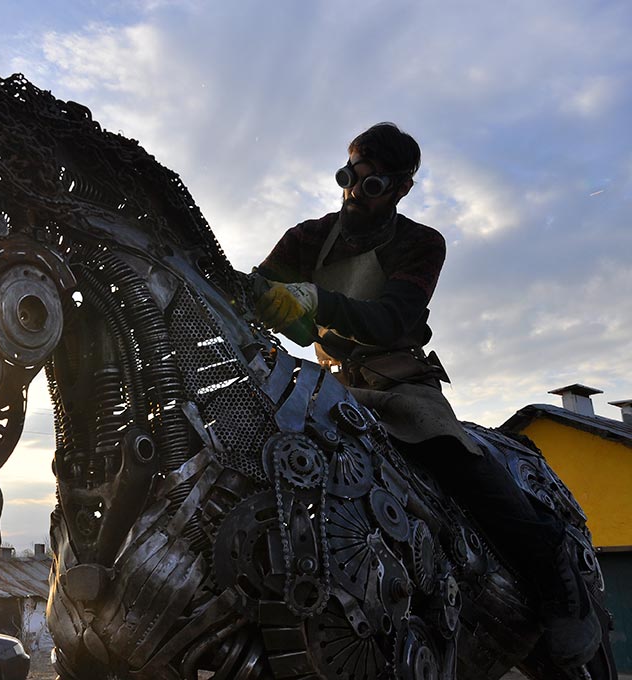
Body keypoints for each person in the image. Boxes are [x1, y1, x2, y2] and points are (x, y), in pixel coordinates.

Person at [254, 122, 600, 668]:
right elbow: (255, 289)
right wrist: (259, 298)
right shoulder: (305, 237)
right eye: (349, 177)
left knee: (454, 459)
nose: (352, 193)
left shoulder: (421, 243)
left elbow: (393, 318)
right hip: (331, 384)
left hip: (400, 385)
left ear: (399, 189)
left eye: (370, 185)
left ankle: (553, 571)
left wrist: (316, 303)